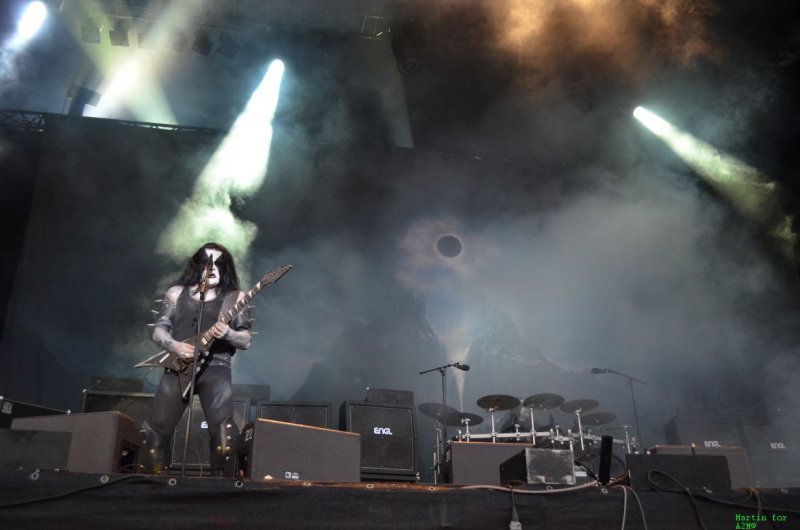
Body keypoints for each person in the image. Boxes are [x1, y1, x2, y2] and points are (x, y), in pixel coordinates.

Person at [141, 242, 252, 476]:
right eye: (206, 263)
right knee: (155, 433)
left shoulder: (235, 298)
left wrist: (229, 334)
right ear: (197, 265)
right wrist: (175, 346)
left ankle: (222, 489)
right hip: (178, 367)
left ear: (226, 268)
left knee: (224, 434)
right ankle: (149, 487)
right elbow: (159, 331)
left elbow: (246, 340)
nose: (212, 268)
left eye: (218, 264)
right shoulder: (176, 293)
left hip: (216, 368)